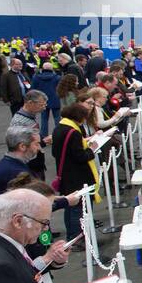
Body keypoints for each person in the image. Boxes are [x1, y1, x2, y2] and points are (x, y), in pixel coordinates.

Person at [50, 102, 101, 242]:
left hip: (66, 175)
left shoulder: (59, 128)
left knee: (70, 207)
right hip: (78, 177)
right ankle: (77, 238)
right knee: (79, 209)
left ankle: (72, 236)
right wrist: (91, 150)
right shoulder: (74, 133)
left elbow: (56, 153)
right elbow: (80, 156)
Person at [0, 126, 44, 196]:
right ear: (22, 147)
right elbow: (35, 202)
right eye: (36, 144)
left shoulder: (2, 164)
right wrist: (63, 200)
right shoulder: (17, 172)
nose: (39, 148)